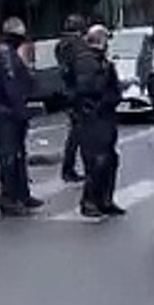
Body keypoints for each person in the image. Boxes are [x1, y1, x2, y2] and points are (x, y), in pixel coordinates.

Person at [0, 17, 41, 216]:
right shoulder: (6, 54)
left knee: (12, 155)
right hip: (7, 113)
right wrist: (21, 110)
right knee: (11, 156)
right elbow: (12, 86)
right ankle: (11, 198)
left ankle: (20, 195)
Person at [72, 25, 125, 217]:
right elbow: (87, 90)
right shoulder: (87, 62)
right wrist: (103, 101)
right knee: (97, 161)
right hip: (93, 118)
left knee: (109, 159)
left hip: (103, 116)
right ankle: (90, 201)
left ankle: (104, 200)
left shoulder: (100, 61)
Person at [55, 14, 88, 182]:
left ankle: (69, 168)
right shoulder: (77, 45)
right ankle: (70, 169)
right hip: (78, 92)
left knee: (76, 132)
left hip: (68, 91)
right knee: (80, 133)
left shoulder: (61, 45)